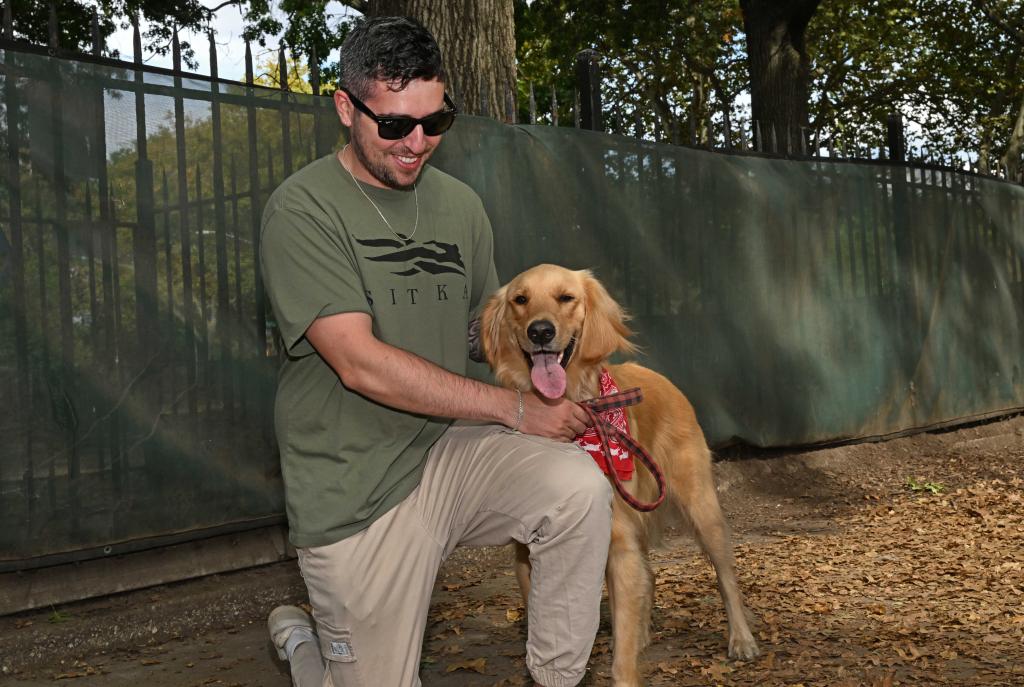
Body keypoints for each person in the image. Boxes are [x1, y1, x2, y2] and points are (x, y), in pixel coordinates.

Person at [260, 16, 613, 687]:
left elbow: (483, 337)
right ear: (345, 107)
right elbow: (359, 362)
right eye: (395, 125)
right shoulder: (302, 211)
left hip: (449, 451)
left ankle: (558, 678)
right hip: (355, 489)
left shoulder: (460, 205)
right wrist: (516, 408)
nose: (418, 142)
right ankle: (309, 649)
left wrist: (579, 368)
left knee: (576, 491)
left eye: (435, 120)